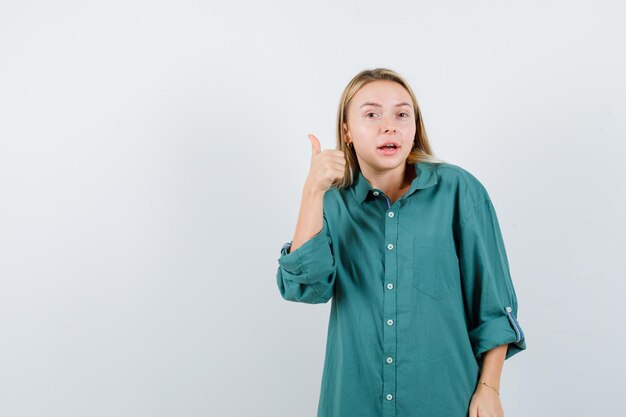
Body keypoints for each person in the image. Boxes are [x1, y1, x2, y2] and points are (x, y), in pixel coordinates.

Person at [275, 68, 527, 417]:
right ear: (347, 132)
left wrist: (489, 388)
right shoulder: (331, 202)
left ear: (414, 128)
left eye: (402, 114)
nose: (389, 125)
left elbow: (494, 303)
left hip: (445, 402)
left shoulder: (458, 191)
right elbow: (306, 288)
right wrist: (312, 191)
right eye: (372, 114)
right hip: (353, 402)